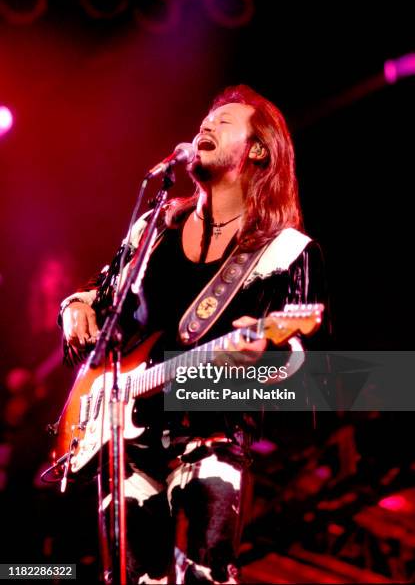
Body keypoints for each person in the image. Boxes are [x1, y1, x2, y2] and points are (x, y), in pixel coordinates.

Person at [59, 85, 327, 584]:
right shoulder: (152, 229)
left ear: (258, 149)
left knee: (209, 571)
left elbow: (303, 369)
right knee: (135, 577)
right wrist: (73, 306)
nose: (206, 125)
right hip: (127, 436)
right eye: (206, 118)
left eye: (225, 121)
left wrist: (266, 357)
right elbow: (99, 296)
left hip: (212, 431)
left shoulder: (286, 251)